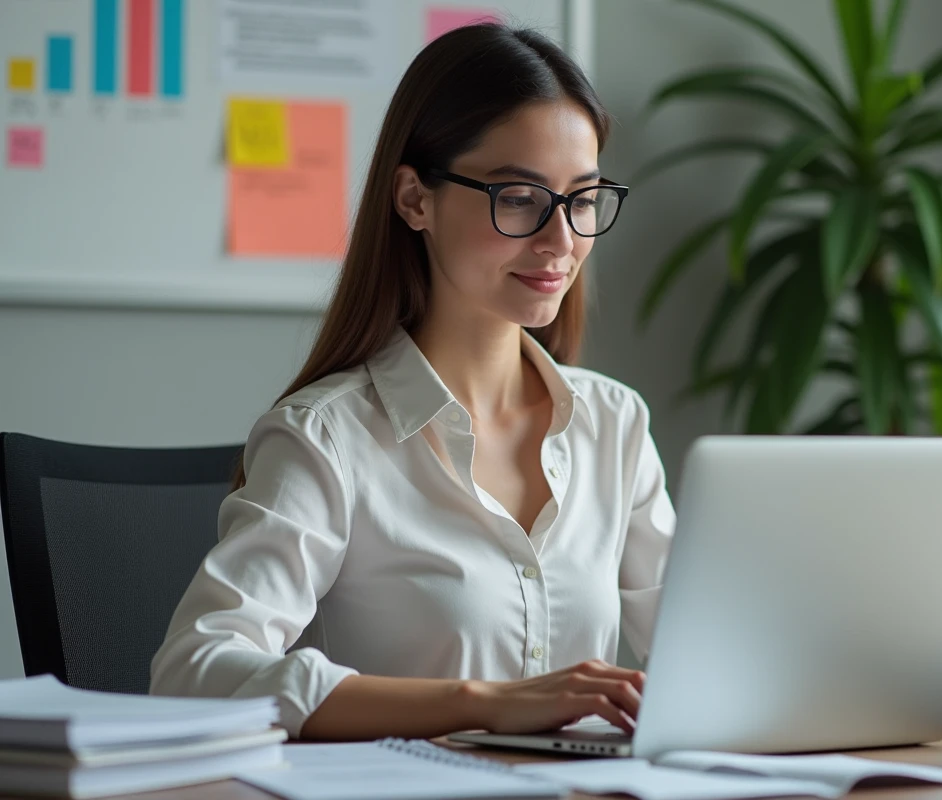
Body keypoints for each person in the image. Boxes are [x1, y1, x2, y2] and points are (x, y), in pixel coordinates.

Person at [149, 23, 675, 743]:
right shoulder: (327, 439)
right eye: (520, 197)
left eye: (582, 199)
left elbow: (710, 653)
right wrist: (480, 701)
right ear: (414, 200)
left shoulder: (614, 424)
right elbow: (193, 670)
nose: (562, 240)